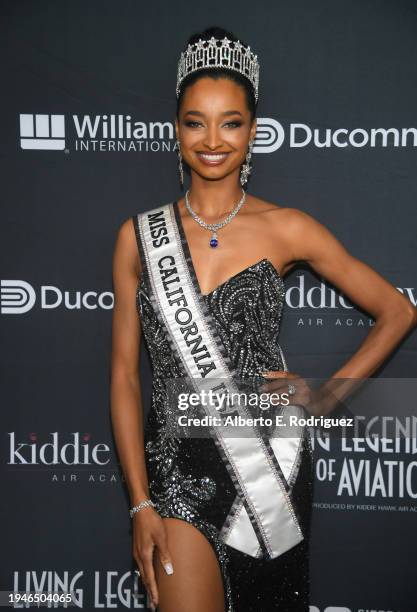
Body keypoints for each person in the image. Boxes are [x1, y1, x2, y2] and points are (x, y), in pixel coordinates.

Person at [110, 25, 417, 612]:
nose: (212, 139)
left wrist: (325, 397)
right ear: (176, 131)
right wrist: (140, 504)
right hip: (175, 467)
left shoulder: (287, 227)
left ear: (253, 132)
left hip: (267, 464)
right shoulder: (138, 238)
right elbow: (125, 377)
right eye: (195, 121)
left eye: (231, 122)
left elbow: (397, 311)